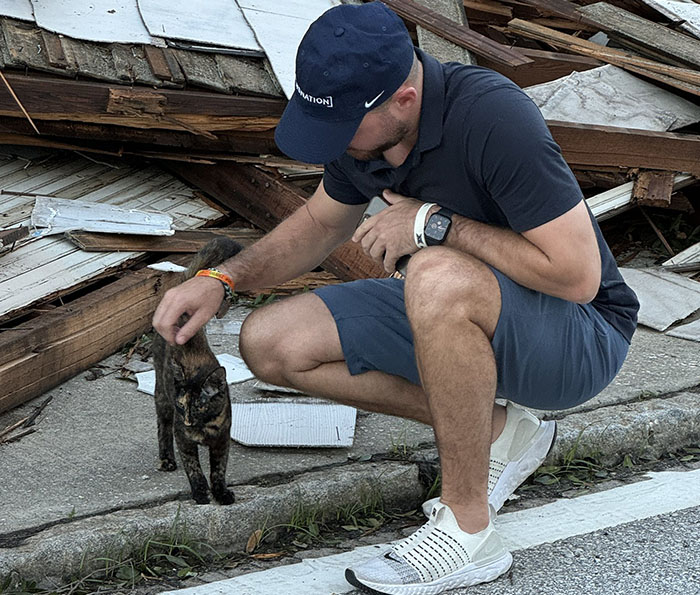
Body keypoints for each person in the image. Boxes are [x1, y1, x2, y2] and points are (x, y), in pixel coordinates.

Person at [152, 2, 639, 593]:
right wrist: (222, 280)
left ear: (404, 99)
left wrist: (437, 224)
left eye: (342, 128)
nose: (330, 142)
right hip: (463, 308)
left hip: (578, 338)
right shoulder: (363, 132)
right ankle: (503, 431)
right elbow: (318, 226)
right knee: (272, 342)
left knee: (433, 272)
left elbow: (577, 276)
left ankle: (468, 529)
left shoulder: (492, 116)